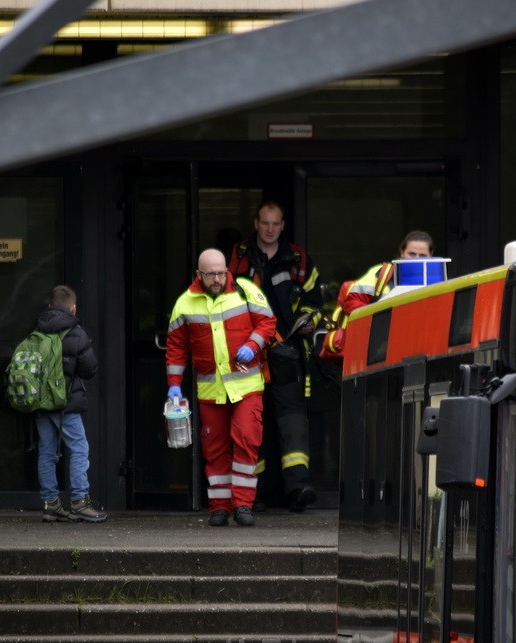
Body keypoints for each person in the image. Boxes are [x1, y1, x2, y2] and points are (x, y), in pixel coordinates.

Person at [166, 248, 276, 527]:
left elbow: (267, 322)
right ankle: (219, 506)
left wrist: (253, 345)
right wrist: (174, 385)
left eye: (221, 272)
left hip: (246, 386)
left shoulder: (245, 289)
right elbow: (176, 347)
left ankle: (243, 505)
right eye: (211, 274)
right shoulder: (185, 303)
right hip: (210, 390)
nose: (217, 278)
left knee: (246, 441)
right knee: (213, 449)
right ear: (198, 275)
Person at [228, 200, 323, 513]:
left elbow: (315, 301)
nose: (270, 229)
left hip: (287, 352)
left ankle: (297, 488)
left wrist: (310, 320)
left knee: (292, 419)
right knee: (251, 422)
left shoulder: (298, 259)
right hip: (247, 353)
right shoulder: (238, 257)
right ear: (256, 223)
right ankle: (253, 494)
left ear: (283, 226)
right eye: (264, 223)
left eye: (276, 224)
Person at [35, 285, 107, 523]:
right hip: (65, 402)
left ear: (49, 306)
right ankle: (79, 501)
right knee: (78, 448)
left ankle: (51, 504)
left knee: (46, 451)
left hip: (40, 401)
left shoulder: (37, 330)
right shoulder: (77, 333)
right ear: (73, 307)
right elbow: (90, 369)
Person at [320, 230, 436, 360]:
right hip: (380, 351)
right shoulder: (382, 274)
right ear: (401, 252)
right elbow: (351, 301)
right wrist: (378, 320)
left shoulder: (439, 280)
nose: (416, 259)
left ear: (431, 255)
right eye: (412, 254)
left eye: (422, 255)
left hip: (420, 348)